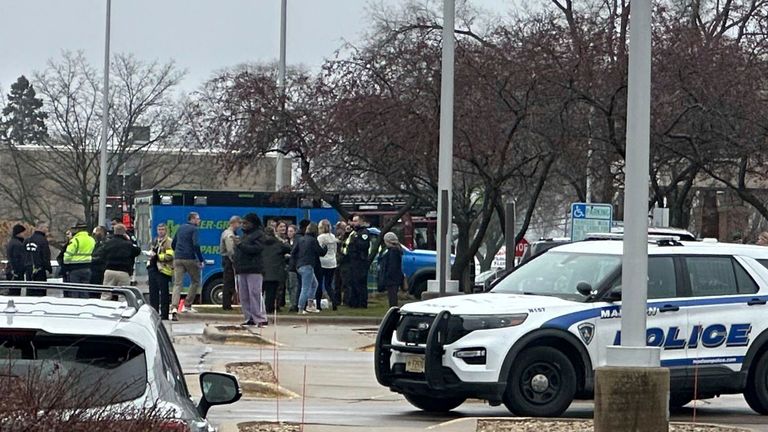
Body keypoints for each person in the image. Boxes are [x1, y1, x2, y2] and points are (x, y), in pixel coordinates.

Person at [233, 213, 271, 327]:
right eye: (242, 223)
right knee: (244, 295)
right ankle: (249, 317)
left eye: (246, 223)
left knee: (254, 293)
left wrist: (240, 245)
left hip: (254, 268)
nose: (243, 225)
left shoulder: (259, 235)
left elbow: (256, 249)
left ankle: (260, 318)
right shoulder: (244, 236)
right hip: (242, 268)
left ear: (253, 224)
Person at [171, 212, 204, 320]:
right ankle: (187, 304)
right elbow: (196, 244)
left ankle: (174, 307)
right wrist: (200, 259)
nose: (199, 221)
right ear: (193, 219)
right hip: (189, 258)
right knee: (195, 281)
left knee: (177, 284)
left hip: (178, 258)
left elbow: (173, 243)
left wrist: (178, 252)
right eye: (198, 219)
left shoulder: (180, 228)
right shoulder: (194, 229)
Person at [292, 222, 327, 314]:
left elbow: (293, 251)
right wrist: (325, 248)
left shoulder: (300, 239)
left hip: (299, 265)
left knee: (314, 284)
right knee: (305, 288)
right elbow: (320, 252)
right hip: (308, 265)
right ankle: (301, 308)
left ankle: (310, 305)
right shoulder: (313, 240)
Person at [341, 214, 372, 308]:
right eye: (353, 221)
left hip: (360, 261)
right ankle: (353, 302)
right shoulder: (354, 232)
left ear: (361, 221)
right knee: (352, 282)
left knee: (360, 283)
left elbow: (363, 245)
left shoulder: (364, 233)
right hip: (352, 261)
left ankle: (361, 303)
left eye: (356, 221)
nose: (353, 223)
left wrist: (354, 242)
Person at [262, 226, 291, 314]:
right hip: (275, 271)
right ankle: (269, 309)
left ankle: (259, 308)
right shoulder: (278, 243)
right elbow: (289, 248)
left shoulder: (260, 243)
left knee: (260, 292)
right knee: (271, 292)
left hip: (262, 271)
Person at [148, 223, 174, 320]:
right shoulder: (155, 240)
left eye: (162, 229)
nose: (160, 231)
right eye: (159, 229)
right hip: (153, 268)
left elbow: (170, 256)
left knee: (164, 294)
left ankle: (164, 314)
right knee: (153, 293)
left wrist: (158, 257)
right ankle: (154, 312)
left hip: (163, 270)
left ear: (166, 230)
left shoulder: (169, 242)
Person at [63, 222, 95, 297]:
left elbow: (67, 256)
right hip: (87, 268)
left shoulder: (75, 240)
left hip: (75, 269)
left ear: (78, 230)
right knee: (85, 290)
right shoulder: (91, 240)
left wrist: (66, 264)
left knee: (75, 291)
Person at [316, 219, 339, 310]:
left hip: (322, 262)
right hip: (332, 262)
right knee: (328, 284)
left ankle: (318, 304)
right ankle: (334, 302)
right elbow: (335, 250)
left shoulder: (320, 238)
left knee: (319, 283)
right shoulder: (333, 237)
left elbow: (318, 250)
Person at [23, 221, 51, 295]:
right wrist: (49, 268)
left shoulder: (27, 240)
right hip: (39, 269)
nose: (47, 229)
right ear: (41, 228)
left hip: (28, 269)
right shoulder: (42, 240)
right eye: (46, 227)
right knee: (40, 292)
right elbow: (45, 256)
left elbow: (23, 255)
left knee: (30, 291)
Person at [219, 216, 241, 311]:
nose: (239, 226)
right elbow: (230, 249)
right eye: (239, 223)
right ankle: (226, 304)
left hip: (227, 259)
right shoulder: (229, 234)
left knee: (229, 281)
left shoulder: (228, 233)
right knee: (229, 282)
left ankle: (227, 303)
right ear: (234, 223)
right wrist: (234, 260)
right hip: (229, 260)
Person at [378, 232, 404, 308]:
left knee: (392, 296)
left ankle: (393, 309)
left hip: (392, 278)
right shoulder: (394, 250)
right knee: (392, 295)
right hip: (394, 278)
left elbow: (392, 266)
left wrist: (387, 276)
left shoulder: (393, 251)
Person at [5, 224, 27, 295]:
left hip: (12, 272)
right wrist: (18, 272)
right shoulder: (17, 244)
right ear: (19, 233)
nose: (25, 234)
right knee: (15, 294)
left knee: (13, 292)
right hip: (15, 274)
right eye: (23, 232)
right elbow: (16, 259)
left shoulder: (12, 242)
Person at [285, 224, 300, 312]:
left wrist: (290, 256)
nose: (289, 233)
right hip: (288, 266)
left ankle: (294, 304)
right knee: (289, 286)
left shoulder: (297, 241)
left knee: (293, 285)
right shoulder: (287, 241)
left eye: (291, 231)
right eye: (288, 231)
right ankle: (292, 302)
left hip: (294, 266)